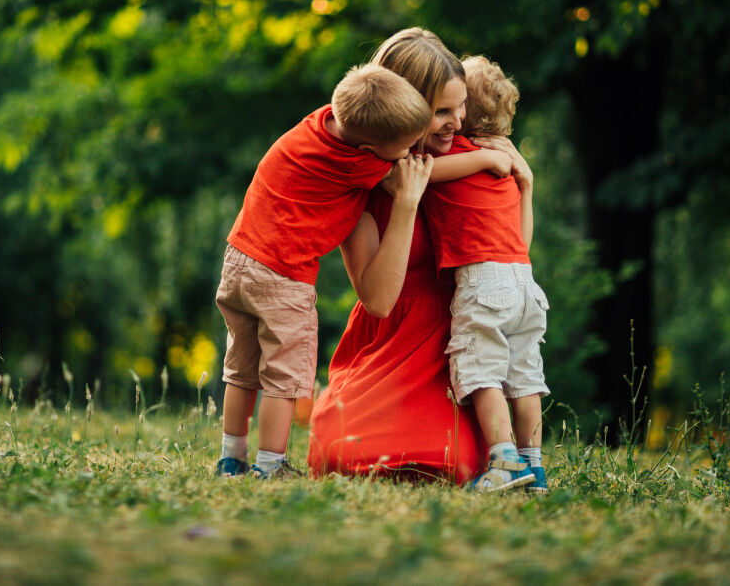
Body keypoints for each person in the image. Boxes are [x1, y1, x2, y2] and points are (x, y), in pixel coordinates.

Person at [307, 28, 517, 483]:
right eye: (441, 112)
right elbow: (378, 300)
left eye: (460, 106)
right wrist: (405, 202)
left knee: (449, 458)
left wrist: (528, 186)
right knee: (341, 450)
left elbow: (513, 257)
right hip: (388, 342)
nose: (457, 122)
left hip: (453, 344)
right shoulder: (360, 183)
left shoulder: (470, 157)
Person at [215, 63, 433, 479]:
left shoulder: (322, 124)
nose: (409, 153)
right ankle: (269, 465)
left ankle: (231, 459)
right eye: (403, 148)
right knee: (283, 377)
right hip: (283, 276)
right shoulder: (355, 164)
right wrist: (492, 159)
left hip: (239, 261)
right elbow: (421, 177)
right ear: (370, 153)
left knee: (241, 370)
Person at [422, 55, 550, 493]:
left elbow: (420, 173)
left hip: (484, 282)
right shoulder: (504, 164)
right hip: (524, 280)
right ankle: (536, 466)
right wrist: (521, 180)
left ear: (461, 114)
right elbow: (521, 240)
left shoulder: (458, 152)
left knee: (482, 372)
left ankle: (504, 460)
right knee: (525, 377)